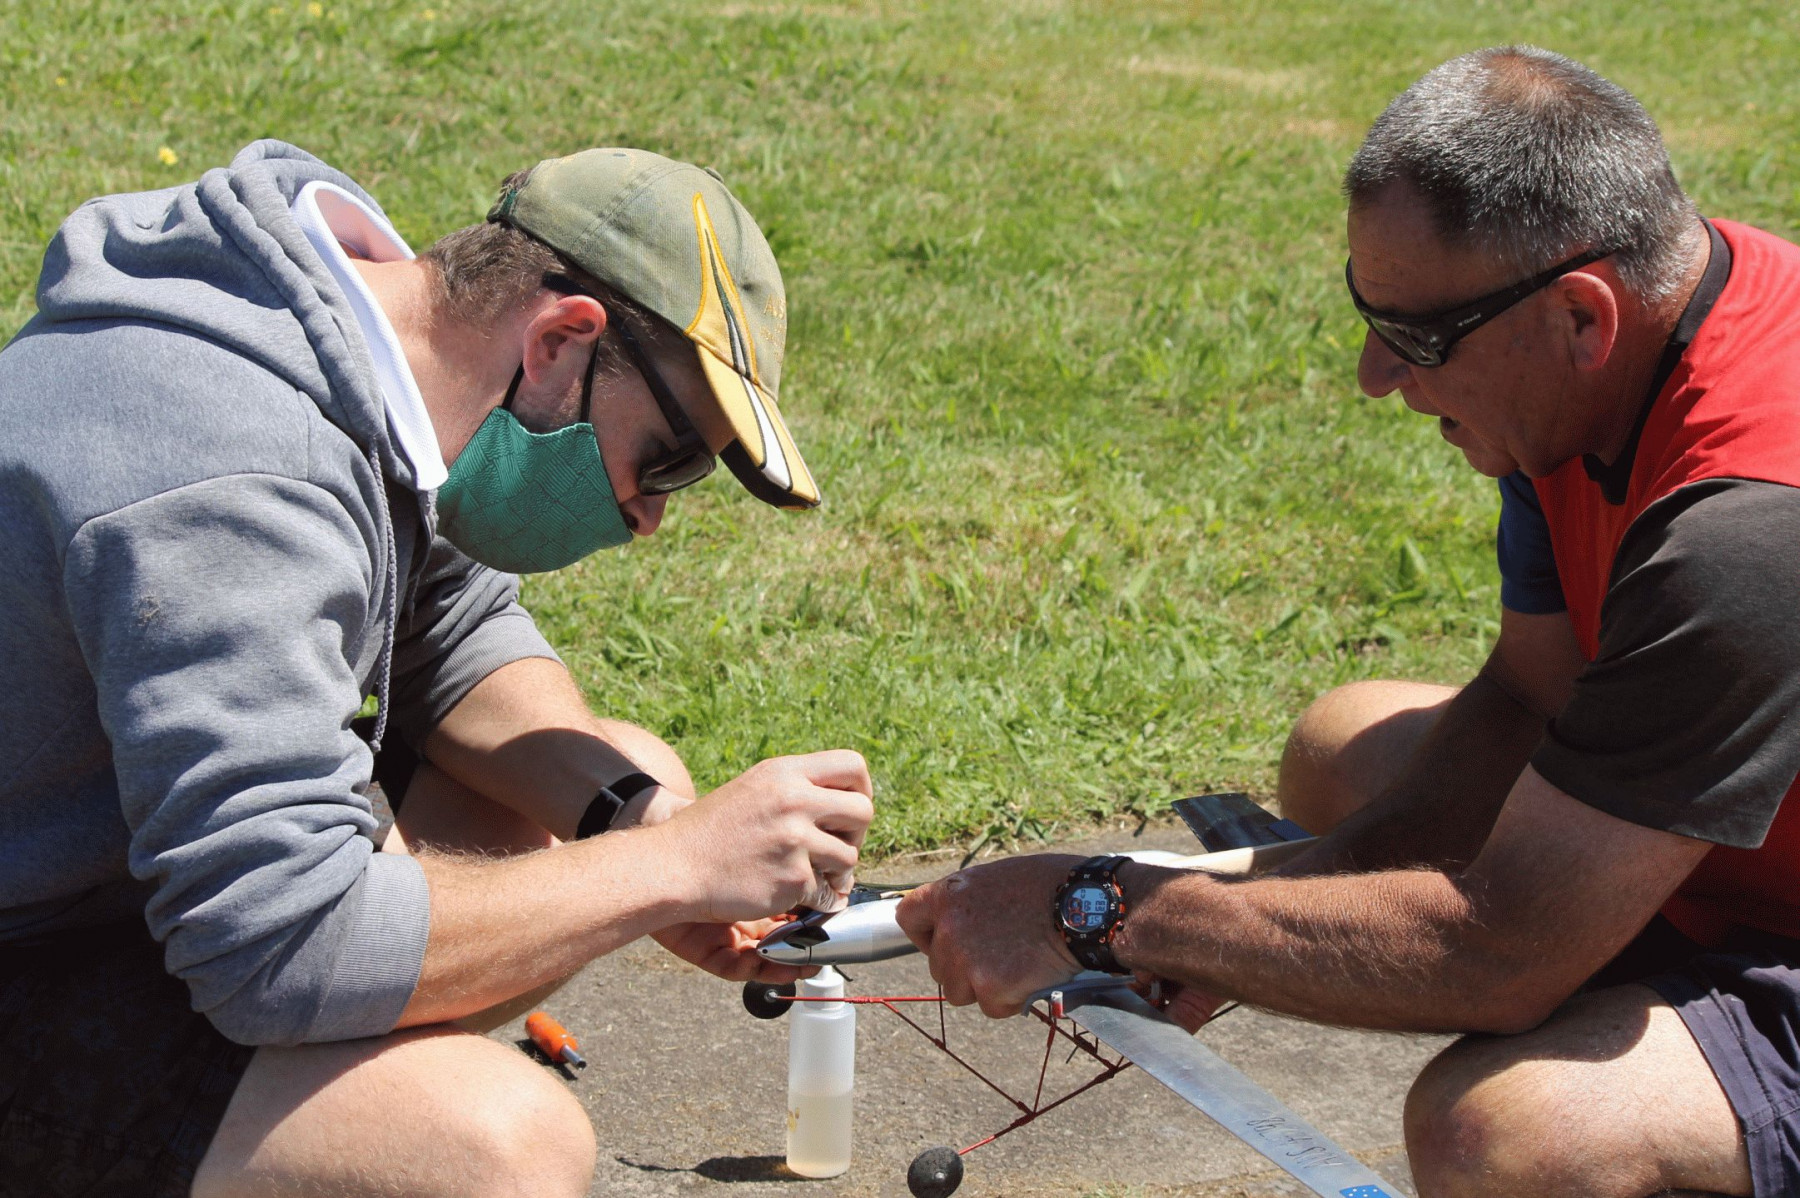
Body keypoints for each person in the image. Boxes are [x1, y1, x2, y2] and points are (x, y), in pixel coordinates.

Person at [898, 46, 1800, 1198]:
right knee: (1342, 744)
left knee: (1506, 1136)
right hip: (1724, 844)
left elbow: (1499, 950)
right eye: (1369, 313)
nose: (1377, 375)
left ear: (1583, 315)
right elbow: (1530, 697)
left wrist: (1107, 908)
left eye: (1421, 338)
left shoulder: (1744, 532)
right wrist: (1265, 912)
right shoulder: (1610, 355)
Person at [0, 141, 874, 1197]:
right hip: (47, 946)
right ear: (560, 340)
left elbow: (453, 631)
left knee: (614, 778)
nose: (649, 517)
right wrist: (671, 867)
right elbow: (278, 947)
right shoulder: (236, 479)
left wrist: (634, 820)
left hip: (103, 883)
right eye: (671, 458)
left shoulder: (348, 337)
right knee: (494, 1146)